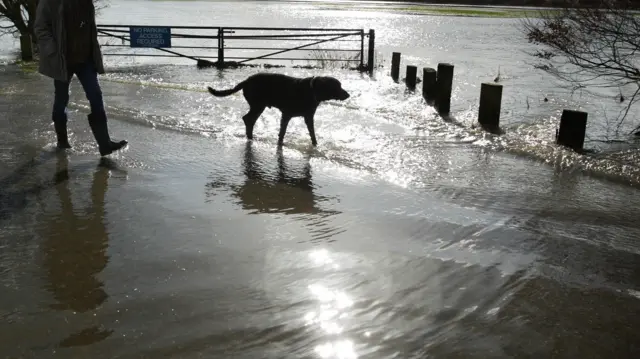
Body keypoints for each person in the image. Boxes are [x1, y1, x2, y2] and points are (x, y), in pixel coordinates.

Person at [34, 0, 128, 156]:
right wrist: (53, 51)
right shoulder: (49, 2)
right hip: (62, 60)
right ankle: (62, 142)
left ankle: (104, 144)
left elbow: (90, 28)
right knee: (62, 99)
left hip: (86, 60)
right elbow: (40, 28)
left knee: (96, 96)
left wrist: (95, 54)